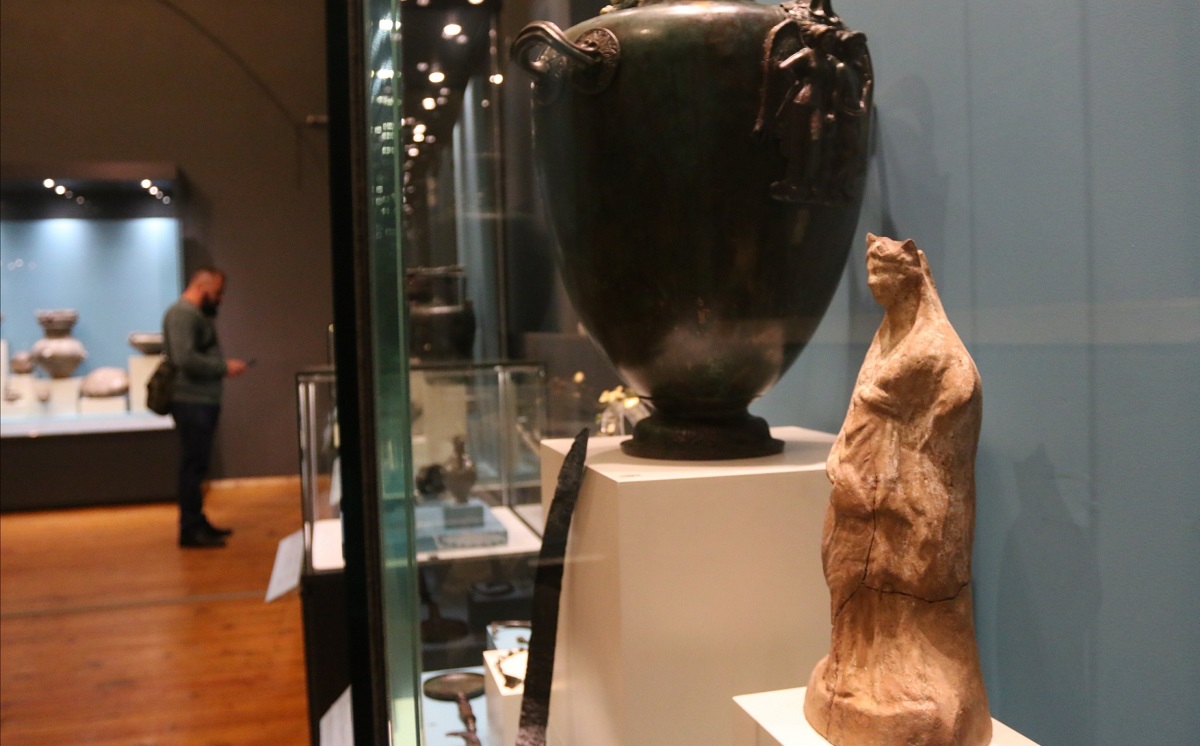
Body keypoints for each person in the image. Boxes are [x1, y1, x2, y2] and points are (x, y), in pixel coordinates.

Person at [163, 267, 248, 548]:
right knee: (193, 466)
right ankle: (190, 528)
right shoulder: (182, 314)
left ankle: (196, 522)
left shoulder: (191, 314)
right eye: (218, 292)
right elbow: (184, 358)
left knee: (197, 465)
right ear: (203, 286)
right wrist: (223, 367)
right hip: (192, 401)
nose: (220, 298)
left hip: (200, 400)